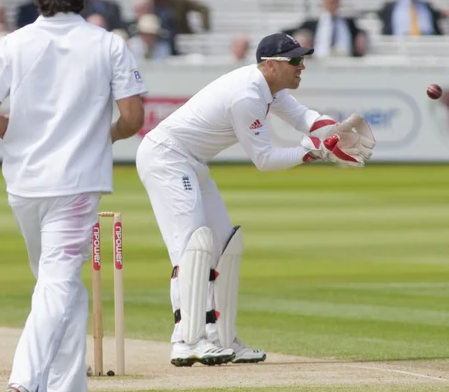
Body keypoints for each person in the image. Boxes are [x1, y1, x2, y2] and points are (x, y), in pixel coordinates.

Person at [0, 0, 146, 392]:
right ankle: (26, 386)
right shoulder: (108, 43)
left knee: (64, 292)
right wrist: (97, 136)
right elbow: (132, 118)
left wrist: (8, 128)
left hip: (24, 185)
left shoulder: (14, 42)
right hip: (76, 185)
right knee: (57, 287)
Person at [136, 33, 375, 367]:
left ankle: (221, 338)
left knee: (222, 244)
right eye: (294, 60)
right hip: (167, 158)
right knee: (192, 247)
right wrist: (314, 151)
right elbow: (263, 159)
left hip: (191, 162)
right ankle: (186, 341)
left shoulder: (268, 88)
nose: (301, 65)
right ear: (270, 65)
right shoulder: (247, 94)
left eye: (301, 59)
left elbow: (305, 117)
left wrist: (335, 131)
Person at [283, 0, 367, 58]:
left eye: (334, 0)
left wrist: (361, 37)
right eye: (329, 1)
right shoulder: (313, 23)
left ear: (339, 2)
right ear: (323, 2)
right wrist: (300, 37)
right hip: (320, 63)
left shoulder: (349, 22)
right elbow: (288, 33)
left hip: (345, 62)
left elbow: (361, 35)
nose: (332, 3)